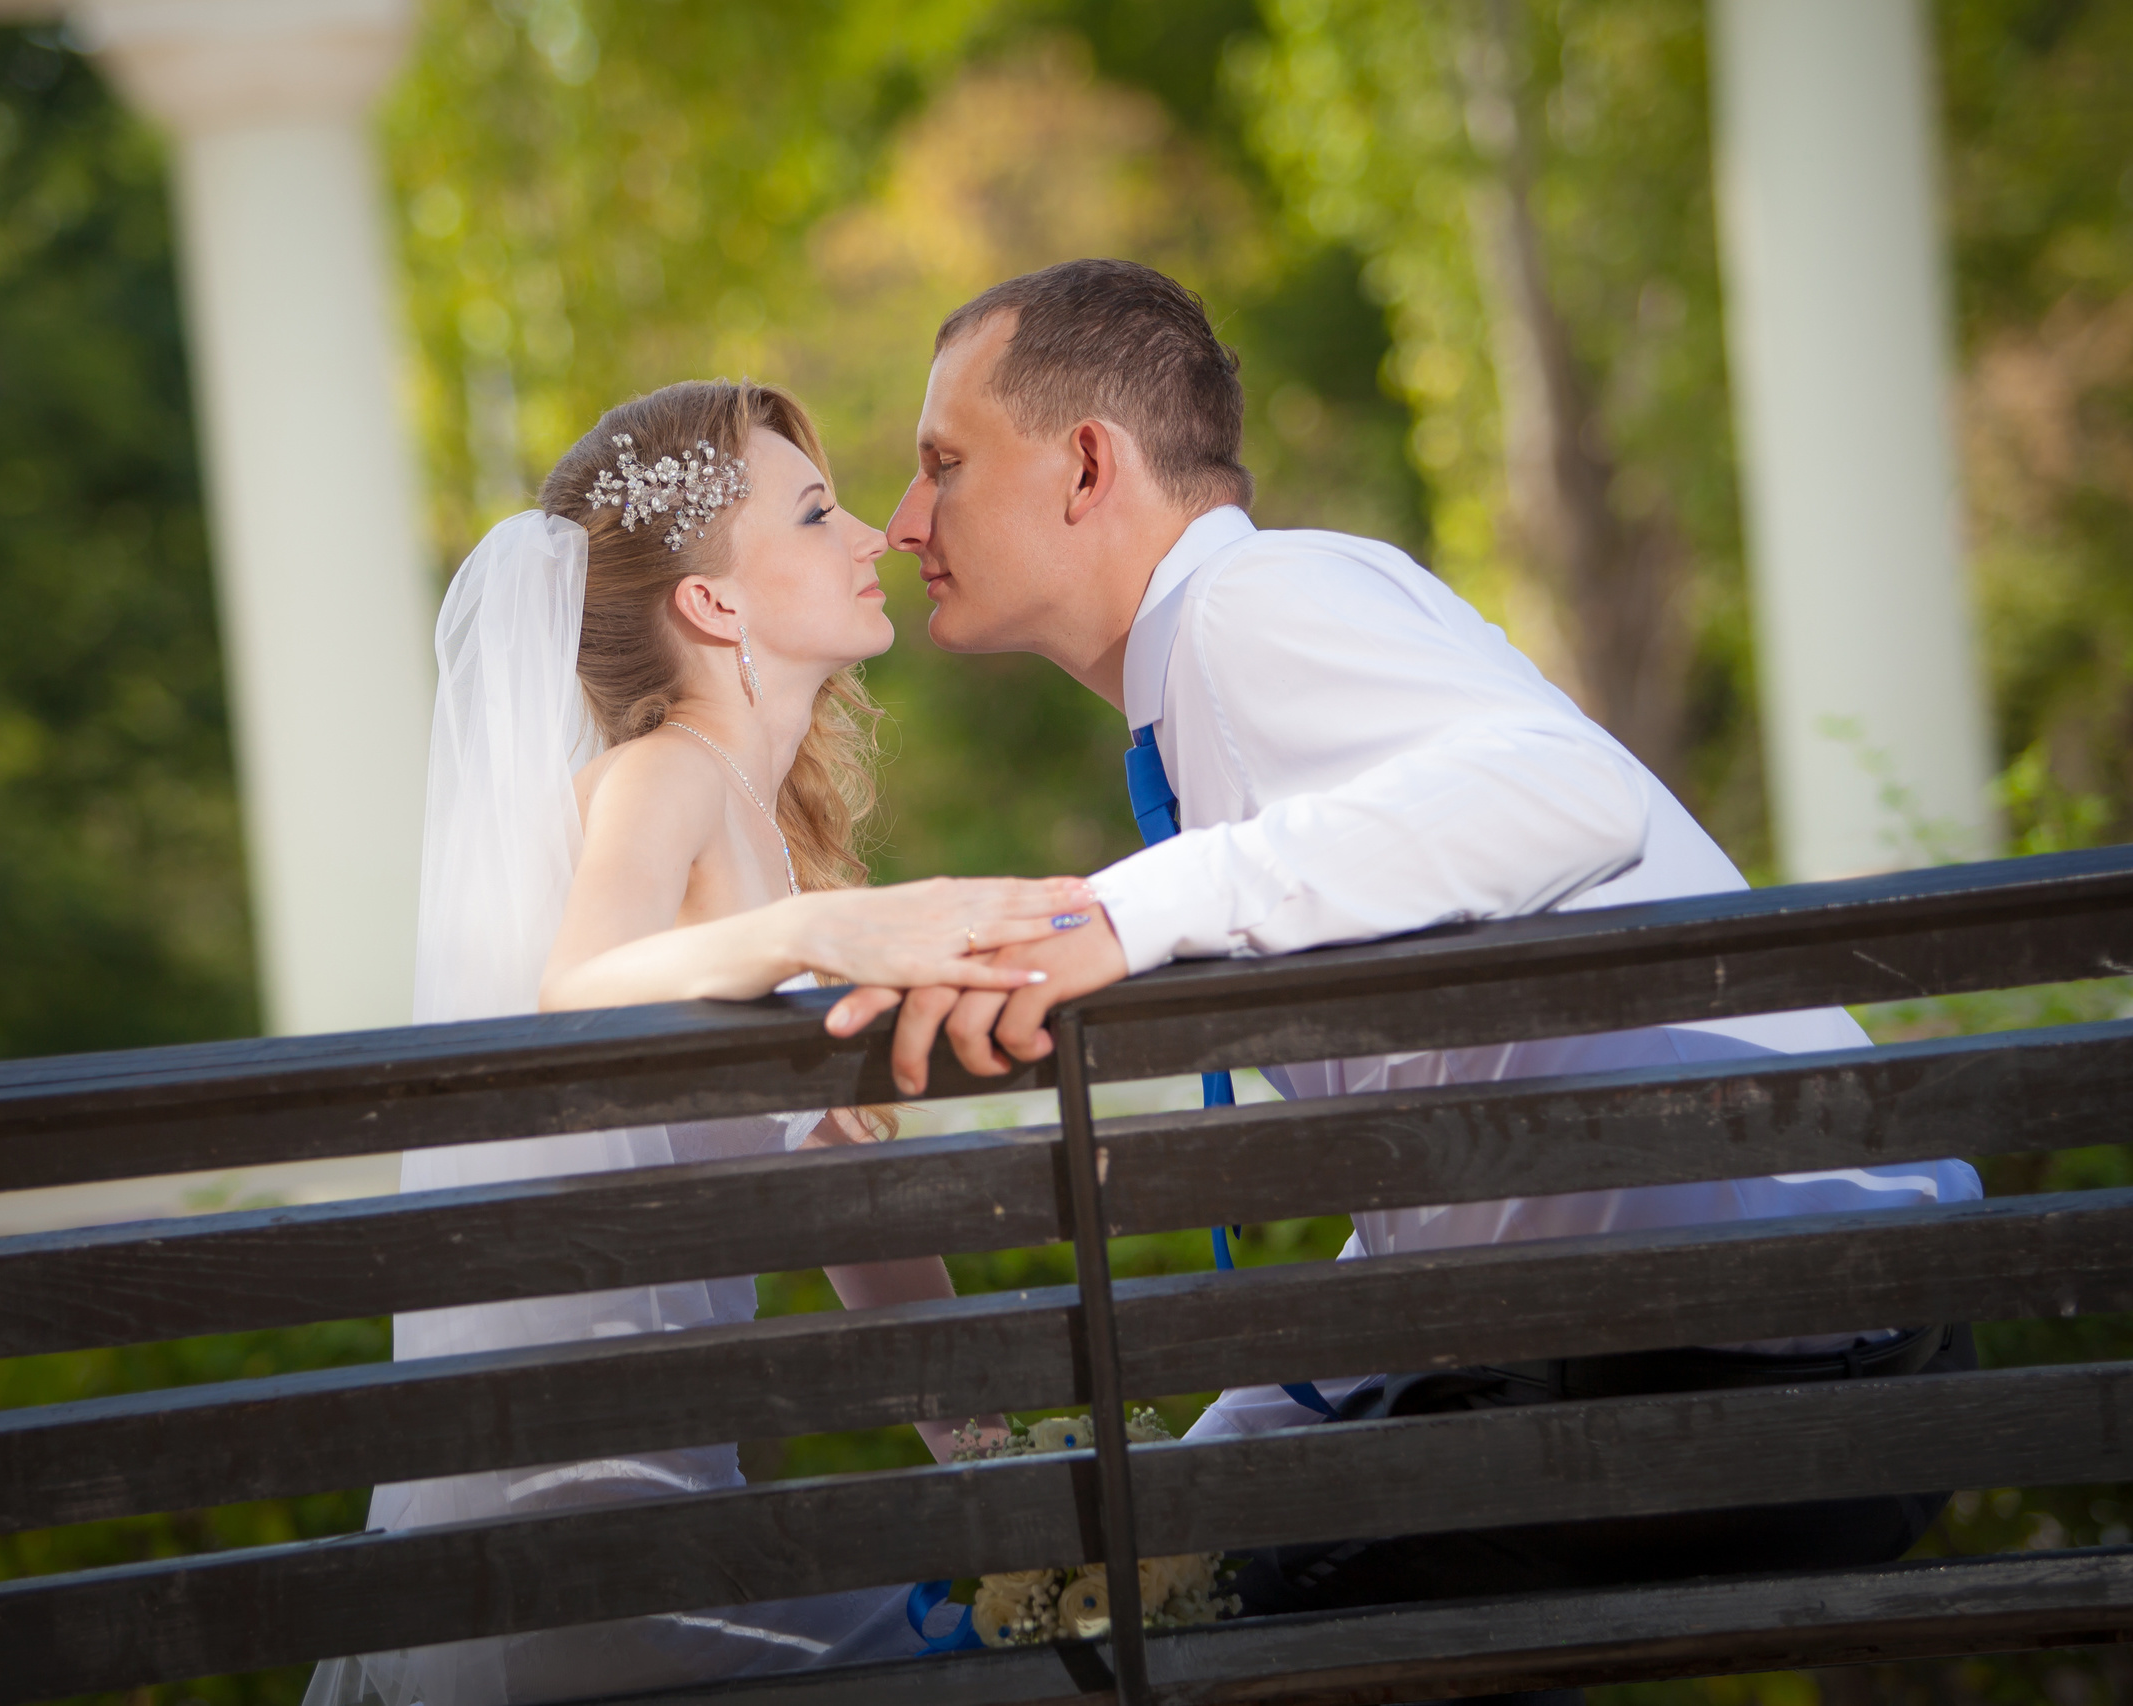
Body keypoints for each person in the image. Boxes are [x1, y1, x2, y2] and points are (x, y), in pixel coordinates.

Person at [847, 258, 1982, 1693]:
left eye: (943, 463)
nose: (902, 521)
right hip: (1772, 1345)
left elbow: (1573, 793)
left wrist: (1137, 908)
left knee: (1180, 1666)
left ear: (1087, 466)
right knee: (1186, 1611)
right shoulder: (1237, 650)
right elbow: (1443, 1216)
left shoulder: (1253, 611)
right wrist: (1182, 1491)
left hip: (1742, 1361)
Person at [304, 379, 1084, 1706]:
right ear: (714, 604)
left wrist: (1027, 1474)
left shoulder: (753, 830)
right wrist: (827, 936)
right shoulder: (665, 775)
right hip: (593, 1570)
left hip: (658, 1551)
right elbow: (582, 990)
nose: (874, 539)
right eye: (818, 511)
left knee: (1056, 1651)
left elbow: (860, 1227)